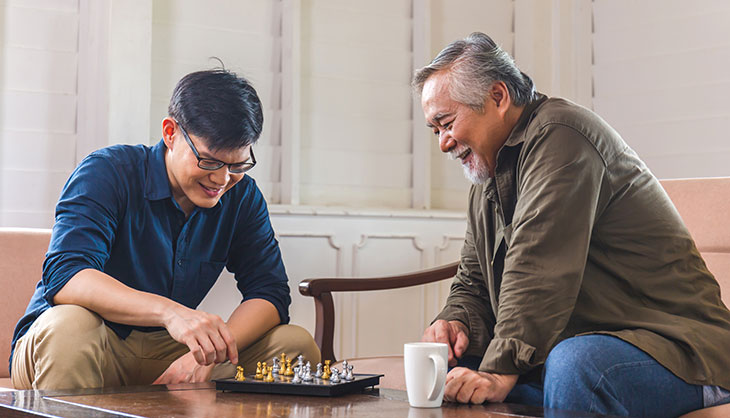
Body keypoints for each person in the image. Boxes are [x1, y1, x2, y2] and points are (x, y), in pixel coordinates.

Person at [414, 32, 730, 416]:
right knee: (448, 373)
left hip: (679, 351)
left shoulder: (563, 138)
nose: (443, 143)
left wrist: (500, 369)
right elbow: (472, 280)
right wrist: (455, 321)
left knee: (576, 367)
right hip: (576, 346)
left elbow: (538, 267)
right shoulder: (488, 182)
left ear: (498, 97)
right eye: (435, 131)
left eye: (446, 123)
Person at [10, 68, 320, 390]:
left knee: (294, 346)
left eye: (237, 165)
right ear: (170, 133)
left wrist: (209, 356)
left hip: (165, 352)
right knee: (71, 325)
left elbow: (269, 292)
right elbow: (66, 275)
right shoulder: (107, 171)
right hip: (79, 344)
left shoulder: (242, 198)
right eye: (210, 162)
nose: (222, 180)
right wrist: (171, 313)